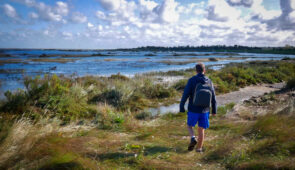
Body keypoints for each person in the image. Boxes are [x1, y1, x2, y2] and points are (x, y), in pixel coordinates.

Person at [180, 63, 217, 152]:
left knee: (189, 126)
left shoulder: (192, 80)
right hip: (205, 110)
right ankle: (199, 149)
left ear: (196, 71)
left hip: (193, 109)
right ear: (204, 70)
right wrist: (214, 110)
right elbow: (213, 97)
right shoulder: (209, 81)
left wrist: (181, 106)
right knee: (201, 129)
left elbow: (185, 94)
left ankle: (193, 138)